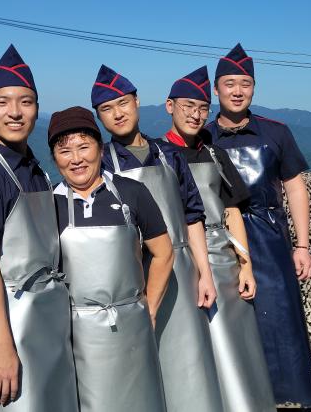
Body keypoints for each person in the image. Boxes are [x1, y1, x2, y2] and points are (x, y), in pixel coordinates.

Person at [91, 64, 224, 412]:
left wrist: (204, 272)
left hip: (181, 268)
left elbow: (193, 216)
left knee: (189, 359)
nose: (117, 113)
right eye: (107, 109)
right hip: (136, 275)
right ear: (99, 117)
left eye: (122, 103)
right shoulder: (102, 163)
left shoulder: (170, 155)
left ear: (136, 102)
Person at [0, 45, 78, 412]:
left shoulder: (36, 169)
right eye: (3, 102)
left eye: (25, 102)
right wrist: (2, 346)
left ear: (37, 109)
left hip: (49, 317)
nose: (14, 112)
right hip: (12, 322)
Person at [205, 43, 311, 410]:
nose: (237, 91)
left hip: (270, 239)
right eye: (229, 83)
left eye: (245, 84)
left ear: (253, 88)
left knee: (281, 324)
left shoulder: (277, 132)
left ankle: (290, 400)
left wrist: (302, 245)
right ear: (216, 88)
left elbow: (295, 186)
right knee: (232, 323)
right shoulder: (202, 138)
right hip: (222, 242)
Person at [164, 65, 276, 411]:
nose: (196, 115)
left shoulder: (214, 152)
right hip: (180, 260)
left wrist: (246, 265)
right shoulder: (159, 155)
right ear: (170, 106)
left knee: (236, 344)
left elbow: (232, 212)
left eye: (202, 108)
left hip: (223, 258)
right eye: (188, 107)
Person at [48, 106, 172, 412]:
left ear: (100, 149)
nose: (76, 159)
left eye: (83, 147)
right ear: (54, 159)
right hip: (77, 331)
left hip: (131, 323)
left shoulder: (132, 192)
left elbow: (163, 252)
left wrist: (149, 310)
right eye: (65, 151)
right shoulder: (49, 205)